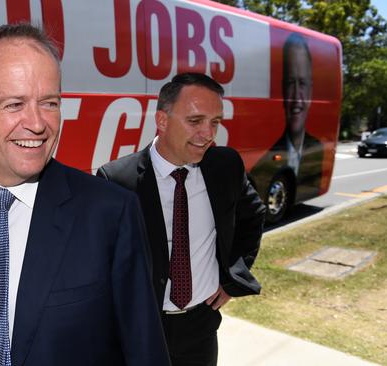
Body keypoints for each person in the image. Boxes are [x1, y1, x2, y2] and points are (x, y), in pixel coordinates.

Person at [0, 23, 170, 366]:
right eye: (15, 104)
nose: (37, 123)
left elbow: (144, 349)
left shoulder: (110, 212)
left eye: (49, 102)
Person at [97, 73, 266, 366]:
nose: (208, 134)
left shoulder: (224, 166)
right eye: (195, 121)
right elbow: (101, 262)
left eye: (215, 122)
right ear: (162, 121)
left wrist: (232, 278)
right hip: (141, 330)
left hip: (200, 328)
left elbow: (253, 216)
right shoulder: (117, 179)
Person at [251, 32, 323, 218]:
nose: (297, 97)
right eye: (291, 83)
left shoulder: (318, 149)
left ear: (311, 90)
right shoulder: (262, 165)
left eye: (303, 84)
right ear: (282, 88)